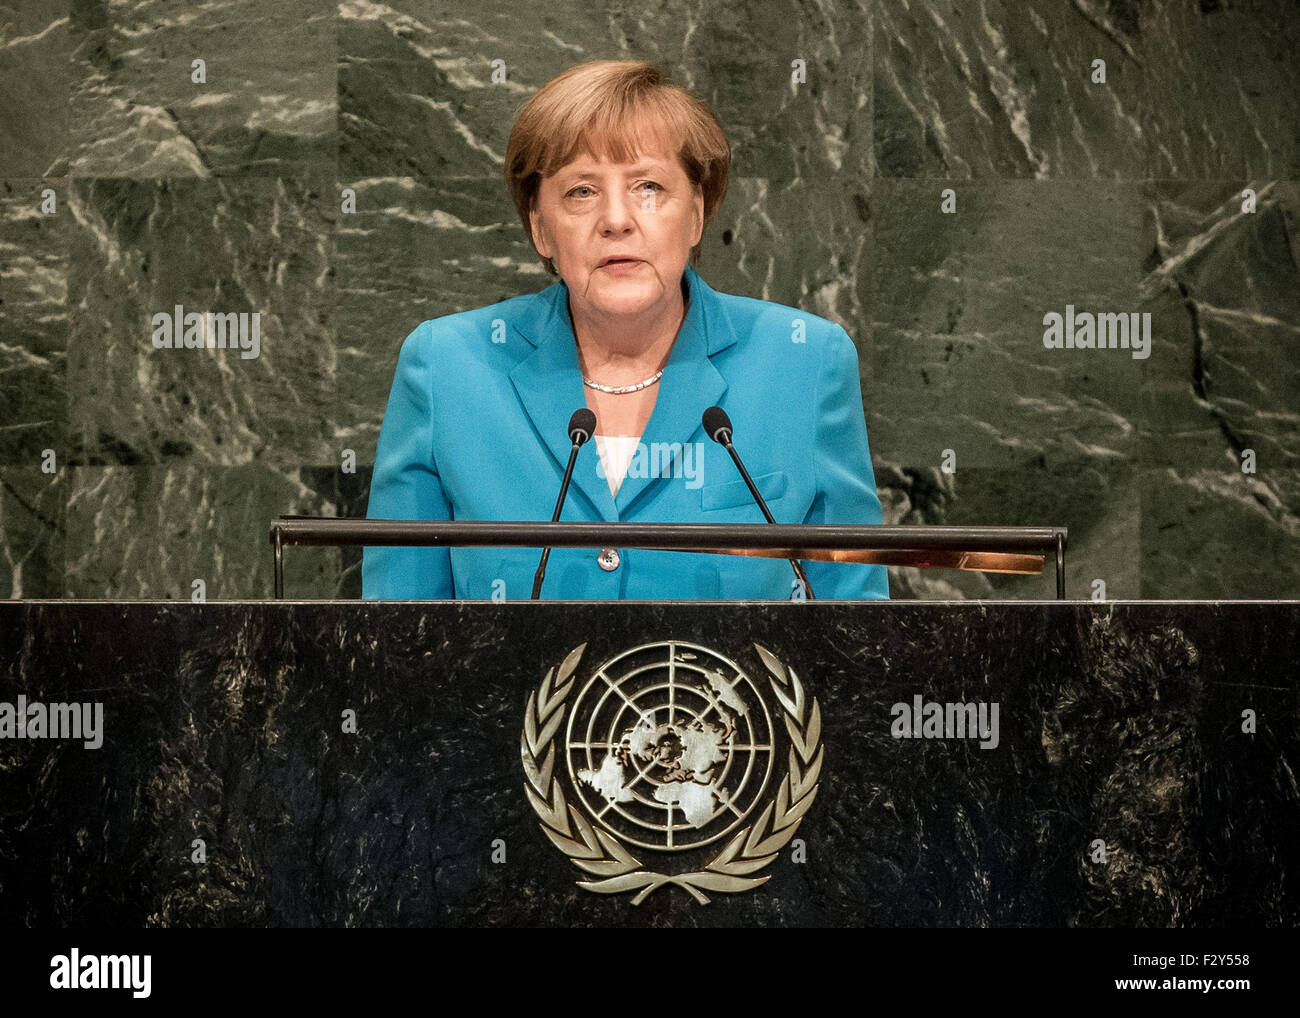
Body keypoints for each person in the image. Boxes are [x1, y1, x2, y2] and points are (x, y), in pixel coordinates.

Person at [362, 59, 889, 601]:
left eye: (649, 186)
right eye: (581, 192)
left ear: (696, 215)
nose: (616, 219)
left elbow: (857, 635)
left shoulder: (804, 362)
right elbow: (398, 643)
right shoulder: (447, 366)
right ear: (541, 228)